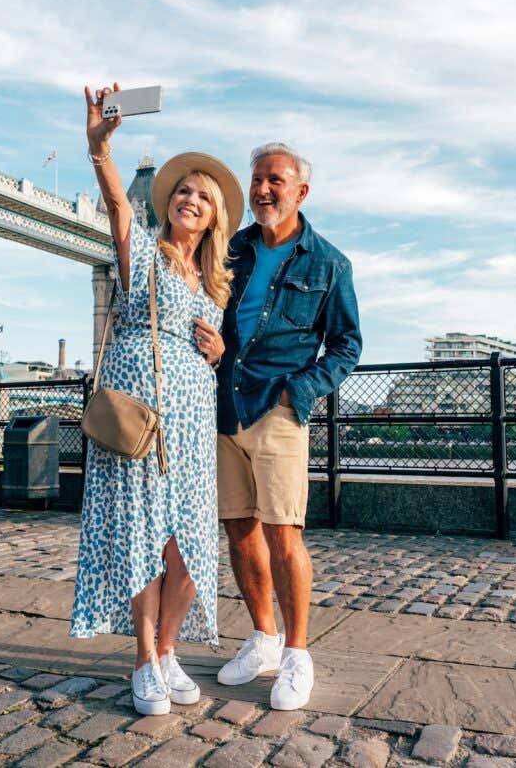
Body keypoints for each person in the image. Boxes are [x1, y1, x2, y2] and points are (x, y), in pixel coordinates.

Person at [70, 83, 244, 717]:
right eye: (182, 191)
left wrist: (219, 351)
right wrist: (100, 148)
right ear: (168, 203)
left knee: (190, 543)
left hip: (193, 420)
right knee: (143, 536)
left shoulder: (217, 281)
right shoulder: (144, 253)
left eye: (202, 196)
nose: (189, 199)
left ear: (215, 216)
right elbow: (119, 204)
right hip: (140, 413)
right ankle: (144, 659)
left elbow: (218, 347)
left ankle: (169, 650)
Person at [213, 142, 362, 710]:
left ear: (301, 192)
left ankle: (298, 654)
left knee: (283, 533)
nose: (262, 189)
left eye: (275, 180)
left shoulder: (329, 263)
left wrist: (296, 390)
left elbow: (346, 346)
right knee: (239, 529)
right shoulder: (231, 248)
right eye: (257, 179)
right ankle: (264, 639)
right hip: (224, 404)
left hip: (278, 411)